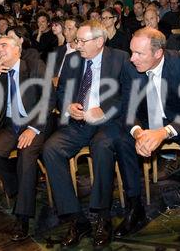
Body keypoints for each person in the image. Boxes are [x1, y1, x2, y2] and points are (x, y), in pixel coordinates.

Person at [43, 20, 131, 248]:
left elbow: (130, 95)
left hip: (107, 123)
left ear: (99, 41)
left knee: (101, 147)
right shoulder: (72, 60)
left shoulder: (120, 58)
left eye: (82, 41)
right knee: (51, 149)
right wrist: (68, 106)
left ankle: (102, 216)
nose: (77, 45)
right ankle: (75, 218)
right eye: (76, 41)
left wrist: (105, 110)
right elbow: (61, 91)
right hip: (79, 122)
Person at [116, 27, 180, 243]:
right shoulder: (130, 69)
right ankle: (134, 206)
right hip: (146, 122)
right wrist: (139, 134)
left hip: (177, 120)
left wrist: (163, 133)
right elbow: (127, 110)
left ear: (158, 53)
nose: (132, 59)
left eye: (139, 54)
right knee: (120, 139)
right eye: (131, 52)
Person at [0, 36, 51, 241]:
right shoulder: (0, 74)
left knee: (25, 156)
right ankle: (19, 188)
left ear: (17, 50)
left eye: (3, 46)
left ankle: (22, 217)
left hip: (36, 123)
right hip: (11, 125)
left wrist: (33, 128)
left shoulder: (34, 66)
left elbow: (49, 99)